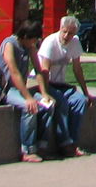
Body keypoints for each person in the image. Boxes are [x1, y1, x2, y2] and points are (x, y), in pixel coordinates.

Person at [0, 18, 53, 163]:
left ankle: (41, 145)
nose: (34, 43)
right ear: (26, 36)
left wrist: (45, 94)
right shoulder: (9, 44)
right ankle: (27, 150)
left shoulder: (30, 47)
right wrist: (28, 97)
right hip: (6, 89)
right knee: (30, 107)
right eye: (33, 39)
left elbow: (38, 71)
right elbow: (14, 72)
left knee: (48, 105)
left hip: (21, 88)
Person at [38, 14, 92, 158]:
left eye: (71, 33)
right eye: (64, 31)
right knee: (60, 102)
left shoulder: (75, 43)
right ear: (60, 29)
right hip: (44, 83)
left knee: (80, 101)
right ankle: (65, 144)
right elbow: (44, 70)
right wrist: (45, 93)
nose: (67, 36)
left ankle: (73, 143)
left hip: (60, 84)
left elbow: (77, 69)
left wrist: (86, 93)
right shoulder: (50, 42)